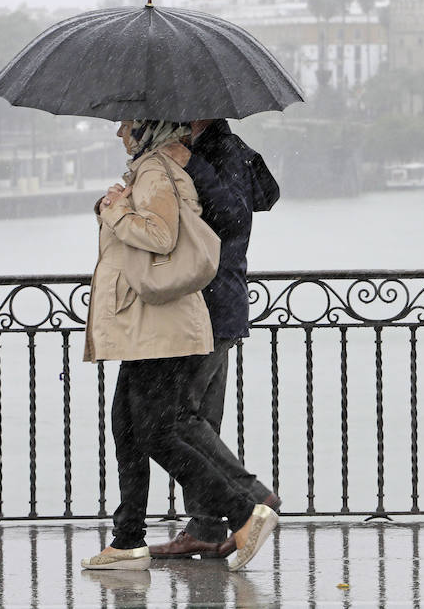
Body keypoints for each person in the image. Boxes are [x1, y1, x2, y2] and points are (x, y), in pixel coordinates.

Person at [80, 119, 277, 573]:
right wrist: (115, 205)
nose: (118, 132)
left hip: (177, 315)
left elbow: (171, 233)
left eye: (127, 124)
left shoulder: (169, 164)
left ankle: (245, 507)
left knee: (166, 427)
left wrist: (117, 211)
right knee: (136, 425)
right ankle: (131, 537)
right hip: (162, 316)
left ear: (149, 127)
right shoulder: (158, 166)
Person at [148, 118, 281, 560]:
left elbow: (236, 214)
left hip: (211, 303)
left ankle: (253, 496)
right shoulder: (223, 147)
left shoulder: (218, 148)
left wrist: (191, 165)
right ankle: (205, 527)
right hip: (219, 302)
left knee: (178, 416)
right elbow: (266, 194)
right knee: (201, 416)